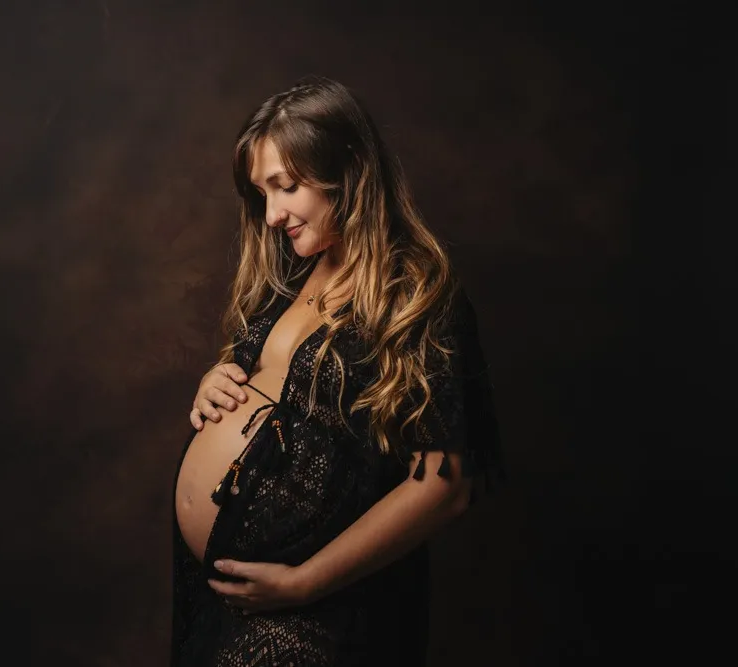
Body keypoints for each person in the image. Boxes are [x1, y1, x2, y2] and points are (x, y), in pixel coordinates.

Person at [171, 76, 503, 666]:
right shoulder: (293, 275)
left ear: (347, 169)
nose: (271, 214)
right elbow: (279, 390)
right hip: (219, 602)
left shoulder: (415, 297)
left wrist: (306, 582)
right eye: (262, 193)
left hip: (313, 612)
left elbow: (445, 485)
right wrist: (216, 382)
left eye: (286, 187)